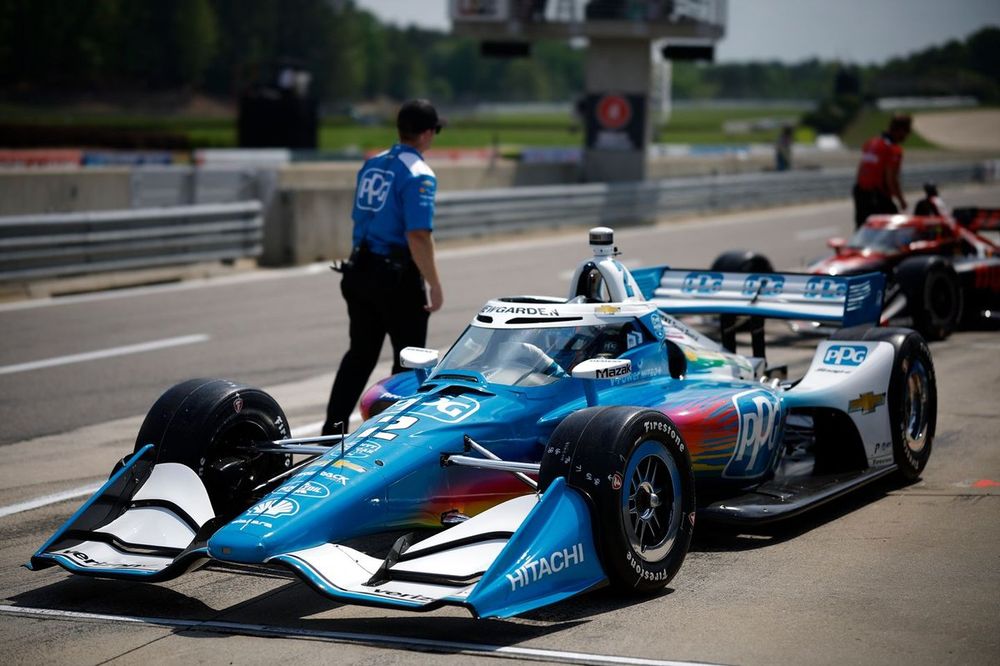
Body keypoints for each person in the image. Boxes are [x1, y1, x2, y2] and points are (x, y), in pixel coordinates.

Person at [322, 99, 445, 435]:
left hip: (358, 269)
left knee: (359, 355)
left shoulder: (373, 163)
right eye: (434, 130)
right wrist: (434, 283)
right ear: (425, 133)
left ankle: (331, 431)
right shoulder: (419, 174)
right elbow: (418, 235)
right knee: (408, 363)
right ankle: (391, 436)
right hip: (396, 278)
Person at [852, 113, 912, 229]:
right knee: (895, 227)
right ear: (900, 130)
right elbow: (892, 180)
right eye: (907, 132)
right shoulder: (893, 149)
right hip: (876, 196)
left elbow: (861, 170)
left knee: (863, 229)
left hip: (860, 192)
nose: (907, 136)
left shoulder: (871, 143)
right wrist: (901, 200)